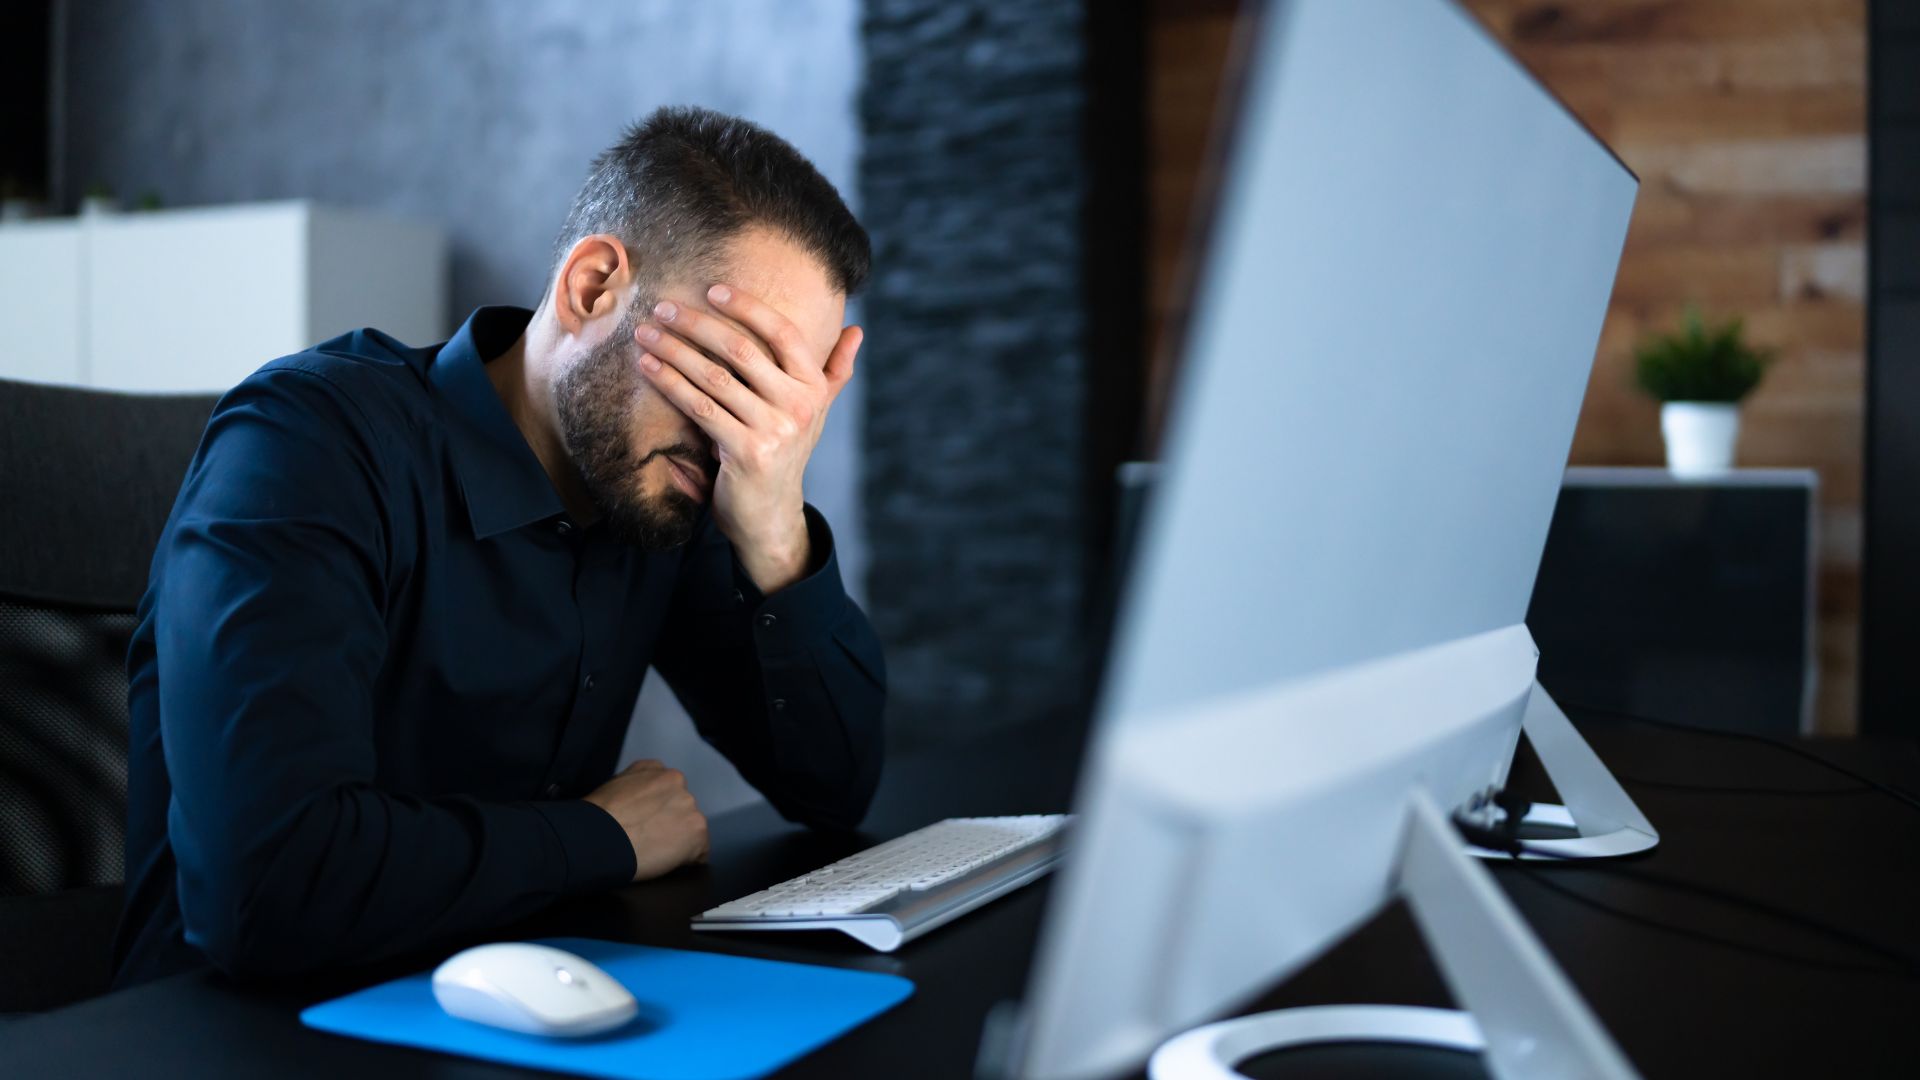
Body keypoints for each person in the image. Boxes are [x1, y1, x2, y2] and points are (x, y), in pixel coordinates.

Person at [112, 106, 885, 987]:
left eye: (780, 404)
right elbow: (268, 890)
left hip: (505, 1001)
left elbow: (835, 791)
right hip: (234, 1036)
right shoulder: (305, 445)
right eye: (730, 378)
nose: (745, 436)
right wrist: (604, 837)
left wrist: (778, 527)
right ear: (593, 287)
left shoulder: (674, 488)